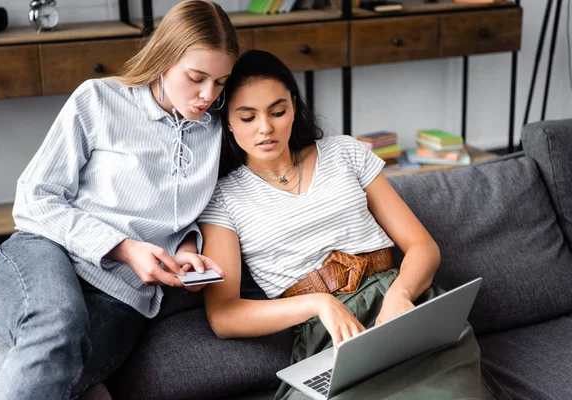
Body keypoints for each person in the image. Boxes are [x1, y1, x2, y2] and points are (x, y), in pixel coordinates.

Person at [198, 50, 510, 400]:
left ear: (294, 106)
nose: (265, 128)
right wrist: (319, 304)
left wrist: (401, 294)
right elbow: (224, 316)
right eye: (247, 117)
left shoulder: (345, 152)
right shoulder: (222, 198)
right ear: (227, 121)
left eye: (277, 111)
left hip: (401, 305)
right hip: (328, 335)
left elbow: (422, 247)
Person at [0, 1, 237, 399]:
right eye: (196, 77)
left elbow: (193, 214)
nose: (206, 95)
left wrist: (185, 248)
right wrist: (124, 248)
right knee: (59, 326)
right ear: (164, 59)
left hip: (124, 295)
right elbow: (34, 198)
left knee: (60, 371)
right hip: (47, 251)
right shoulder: (99, 100)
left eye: (219, 83)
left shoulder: (217, 131)